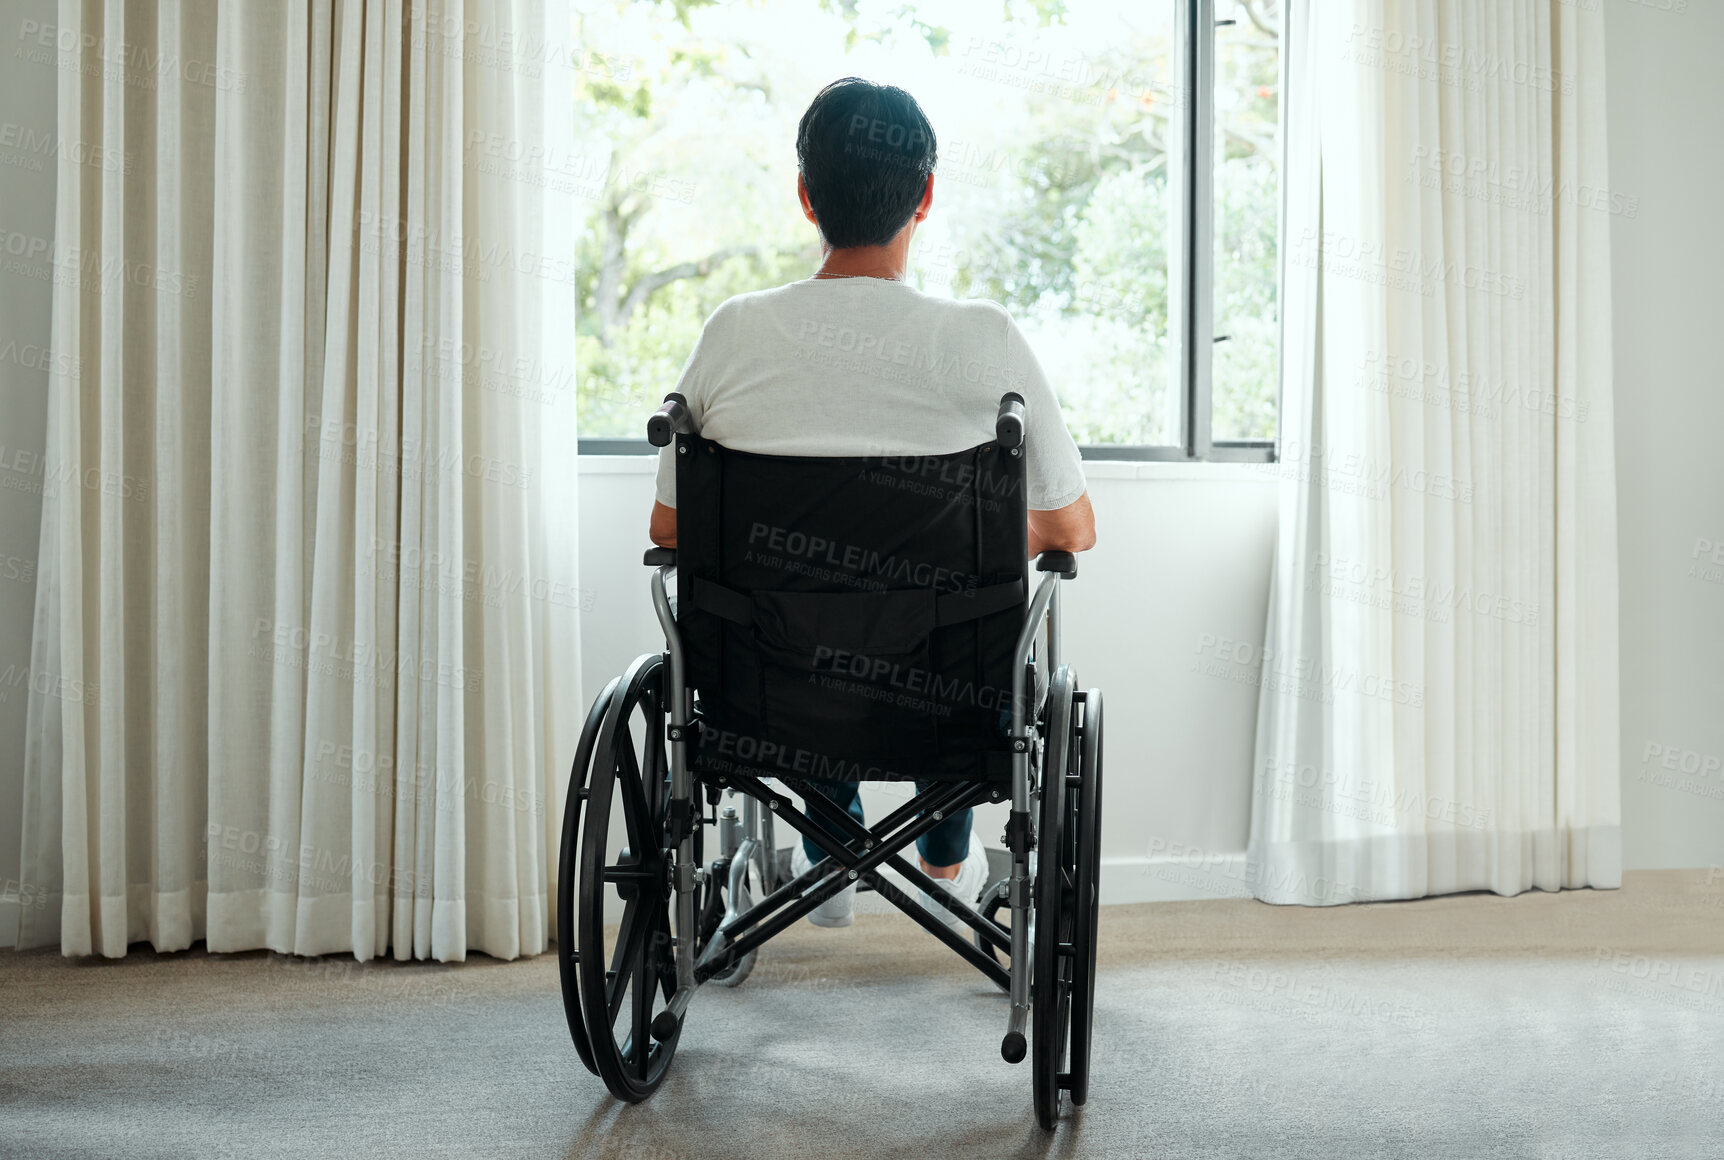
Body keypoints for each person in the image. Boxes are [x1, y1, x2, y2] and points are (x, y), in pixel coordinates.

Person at [648, 77, 1097, 927]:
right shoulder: (983, 338)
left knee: (793, 617)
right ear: (925, 194)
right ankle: (944, 856)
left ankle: (827, 849)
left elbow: (671, 529)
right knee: (954, 622)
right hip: (946, 698)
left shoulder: (733, 332)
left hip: (769, 700)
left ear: (806, 195)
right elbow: (1074, 529)